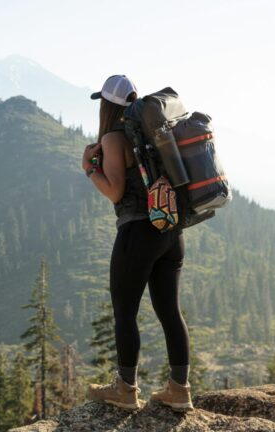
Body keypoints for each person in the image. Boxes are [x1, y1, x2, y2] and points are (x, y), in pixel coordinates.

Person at [83, 75, 194, 412]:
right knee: (169, 312)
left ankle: (126, 389)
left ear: (106, 104)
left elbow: (116, 191)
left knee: (125, 311)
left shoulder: (115, 138)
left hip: (138, 232)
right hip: (171, 230)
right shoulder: (153, 133)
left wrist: (89, 169)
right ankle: (179, 389)